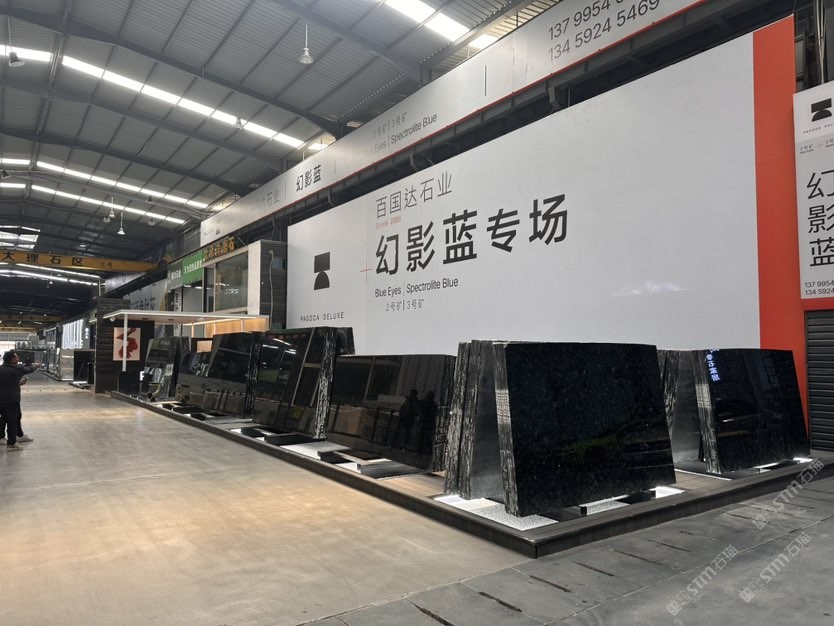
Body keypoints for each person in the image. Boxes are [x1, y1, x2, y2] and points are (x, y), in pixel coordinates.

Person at [0, 351, 38, 450]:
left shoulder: (1, 369)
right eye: (16, 357)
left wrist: (19, 383)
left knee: (4, 418)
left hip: (2, 400)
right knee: (12, 420)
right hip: (12, 400)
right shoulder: (17, 369)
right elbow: (29, 369)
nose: (18, 359)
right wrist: (36, 366)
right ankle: (11, 444)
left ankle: (2, 437)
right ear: (12, 359)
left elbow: (5, 383)